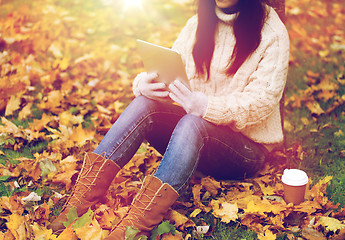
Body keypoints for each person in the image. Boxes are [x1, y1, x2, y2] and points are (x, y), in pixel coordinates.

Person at [49, 0, 290, 239]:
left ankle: (135, 227)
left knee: (193, 123)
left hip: (245, 150)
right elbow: (171, 69)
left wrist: (206, 106)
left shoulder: (271, 31)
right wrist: (145, 84)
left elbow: (263, 100)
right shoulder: (198, 22)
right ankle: (80, 201)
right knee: (145, 104)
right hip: (193, 141)